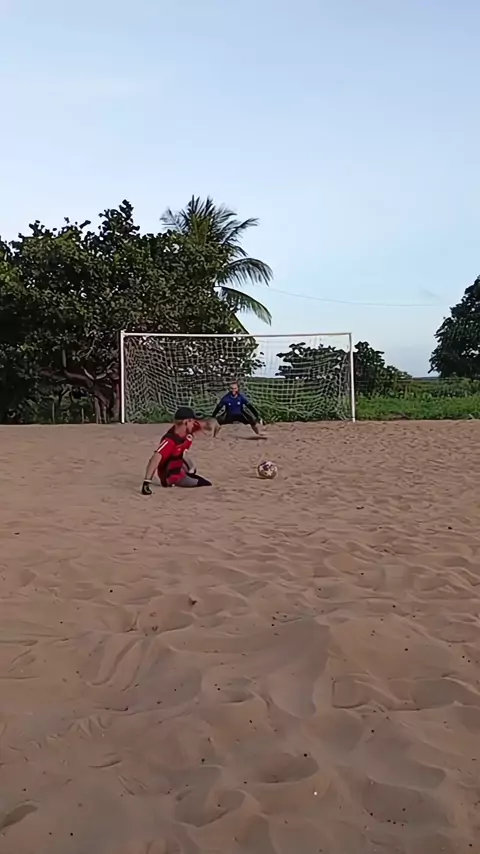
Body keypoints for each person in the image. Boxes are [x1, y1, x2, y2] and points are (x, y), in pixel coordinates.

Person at [141, 406, 214, 495]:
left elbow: (207, 425)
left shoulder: (188, 428)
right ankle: (177, 480)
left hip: (178, 464)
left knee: (191, 466)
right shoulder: (170, 440)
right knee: (204, 483)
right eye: (191, 421)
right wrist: (146, 482)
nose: (194, 423)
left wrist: (214, 424)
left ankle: (186, 473)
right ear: (186, 422)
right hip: (171, 475)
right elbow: (155, 459)